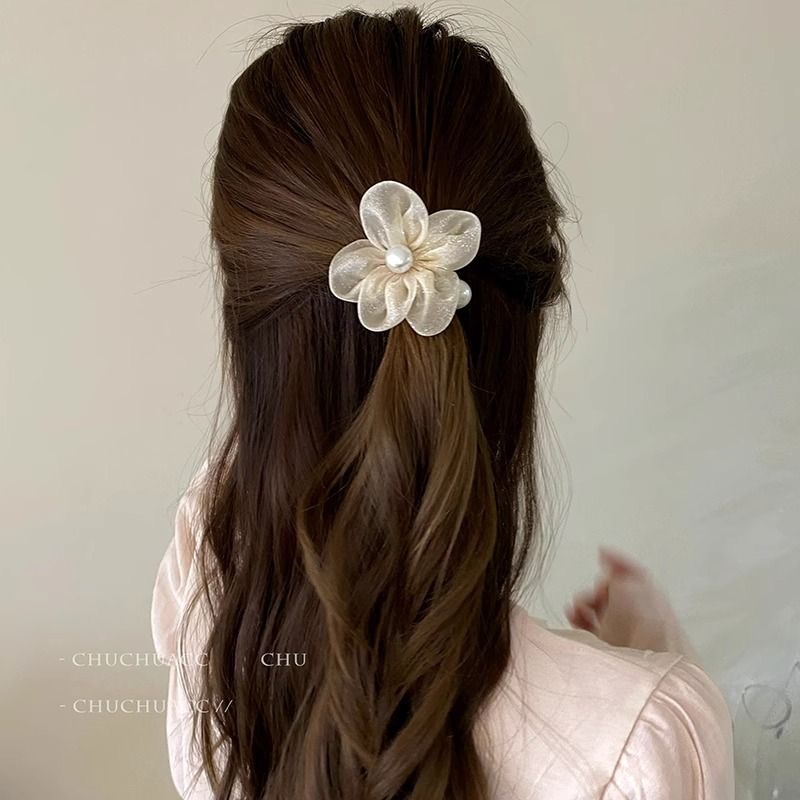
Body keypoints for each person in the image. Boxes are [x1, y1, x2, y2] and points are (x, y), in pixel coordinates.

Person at [150, 8, 734, 799]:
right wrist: (655, 685)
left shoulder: (211, 603)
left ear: (245, 318)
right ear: (526, 320)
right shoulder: (643, 742)